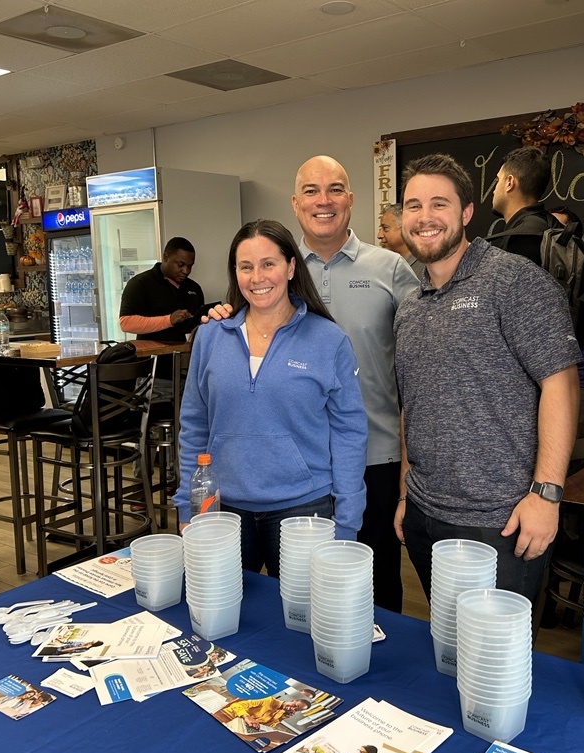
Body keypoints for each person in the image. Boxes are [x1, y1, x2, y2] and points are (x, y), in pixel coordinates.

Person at [393, 153, 582, 604]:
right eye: (412, 206)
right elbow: (412, 406)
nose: (424, 218)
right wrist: (404, 493)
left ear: (466, 212)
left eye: (439, 204)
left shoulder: (515, 282)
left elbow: (562, 383)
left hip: (501, 520)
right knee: (449, 649)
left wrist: (546, 495)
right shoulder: (409, 307)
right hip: (423, 511)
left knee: (496, 664)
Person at [173, 219, 367, 578]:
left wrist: (348, 519)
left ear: (291, 267)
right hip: (222, 509)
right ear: (235, 273)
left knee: (302, 624)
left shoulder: (328, 340)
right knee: (222, 620)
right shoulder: (211, 336)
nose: (257, 277)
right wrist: (188, 508)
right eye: (245, 267)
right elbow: (193, 426)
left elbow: (349, 433)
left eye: (268, 264)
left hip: (303, 511)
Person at [292, 156, 419, 613]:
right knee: (302, 579)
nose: (323, 200)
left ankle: (381, 680)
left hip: (375, 455)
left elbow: (423, 358)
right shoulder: (277, 272)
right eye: (311, 190)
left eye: (335, 189)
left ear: (350, 199)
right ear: (295, 203)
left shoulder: (391, 269)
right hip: (297, 460)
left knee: (377, 579)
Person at [119, 237, 205, 411]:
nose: (185, 271)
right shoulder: (140, 284)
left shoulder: (194, 288)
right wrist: (168, 320)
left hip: (188, 373)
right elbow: (126, 323)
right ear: (165, 257)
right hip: (151, 373)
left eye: (190, 266)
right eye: (180, 265)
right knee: (154, 420)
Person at [488, 145, 552, 267]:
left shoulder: (521, 239)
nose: (494, 190)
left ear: (509, 183)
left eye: (498, 180)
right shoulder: (548, 225)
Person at [215, 695, 310, 731]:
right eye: (295, 705)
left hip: (240, 726)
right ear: (292, 700)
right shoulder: (268, 700)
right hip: (228, 716)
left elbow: (268, 726)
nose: (292, 708)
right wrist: (247, 716)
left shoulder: (281, 713)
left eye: (296, 710)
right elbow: (236, 705)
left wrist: (281, 719)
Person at [378, 203, 423, 277]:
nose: (379, 235)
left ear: (404, 229)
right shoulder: (384, 265)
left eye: (385, 228)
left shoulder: (427, 268)